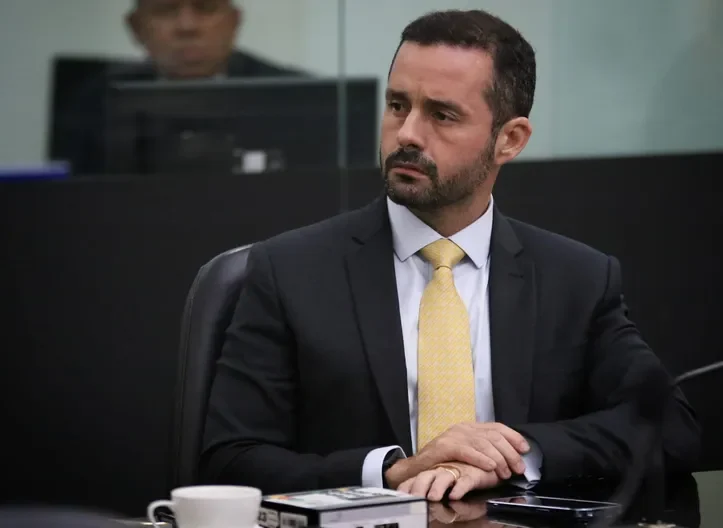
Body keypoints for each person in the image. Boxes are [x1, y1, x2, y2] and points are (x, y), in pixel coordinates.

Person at [200, 9, 701, 500]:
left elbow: (670, 427)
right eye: (398, 105)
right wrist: (392, 472)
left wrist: (512, 454)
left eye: (442, 115)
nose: (408, 134)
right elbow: (230, 459)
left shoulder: (575, 279)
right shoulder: (291, 271)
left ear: (510, 140)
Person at [54, 0, 301, 175]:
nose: (187, 27)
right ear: (136, 27)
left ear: (234, 21)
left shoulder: (292, 96)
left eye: (205, 8)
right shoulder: (95, 100)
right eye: (165, 10)